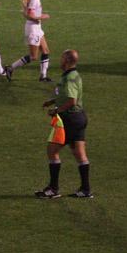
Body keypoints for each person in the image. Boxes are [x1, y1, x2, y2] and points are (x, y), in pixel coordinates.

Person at [35, 49, 92, 199]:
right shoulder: (72, 75)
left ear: (66, 60)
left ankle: (53, 189)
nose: (60, 60)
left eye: (61, 58)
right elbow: (65, 95)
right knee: (80, 154)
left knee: (52, 150)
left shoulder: (70, 78)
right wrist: (52, 101)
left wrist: (56, 111)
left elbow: (72, 100)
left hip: (70, 119)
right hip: (78, 117)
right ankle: (85, 190)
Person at [6, 0, 52, 82]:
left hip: (37, 28)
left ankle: (43, 76)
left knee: (45, 50)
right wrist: (42, 17)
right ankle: (10, 68)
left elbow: (27, 13)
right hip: (33, 30)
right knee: (33, 56)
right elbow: (30, 15)